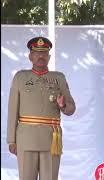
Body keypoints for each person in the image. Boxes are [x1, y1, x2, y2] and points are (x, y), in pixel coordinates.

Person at [7, 36, 76, 180]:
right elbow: (12, 110)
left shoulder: (59, 78)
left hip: (51, 140)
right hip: (26, 139)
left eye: (44, 53)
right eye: (37, 53)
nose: (41, 56)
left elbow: (71, 109)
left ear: (49, 57)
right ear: (30, 56)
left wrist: (62, 105)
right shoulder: (20, 78)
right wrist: (11, 140)